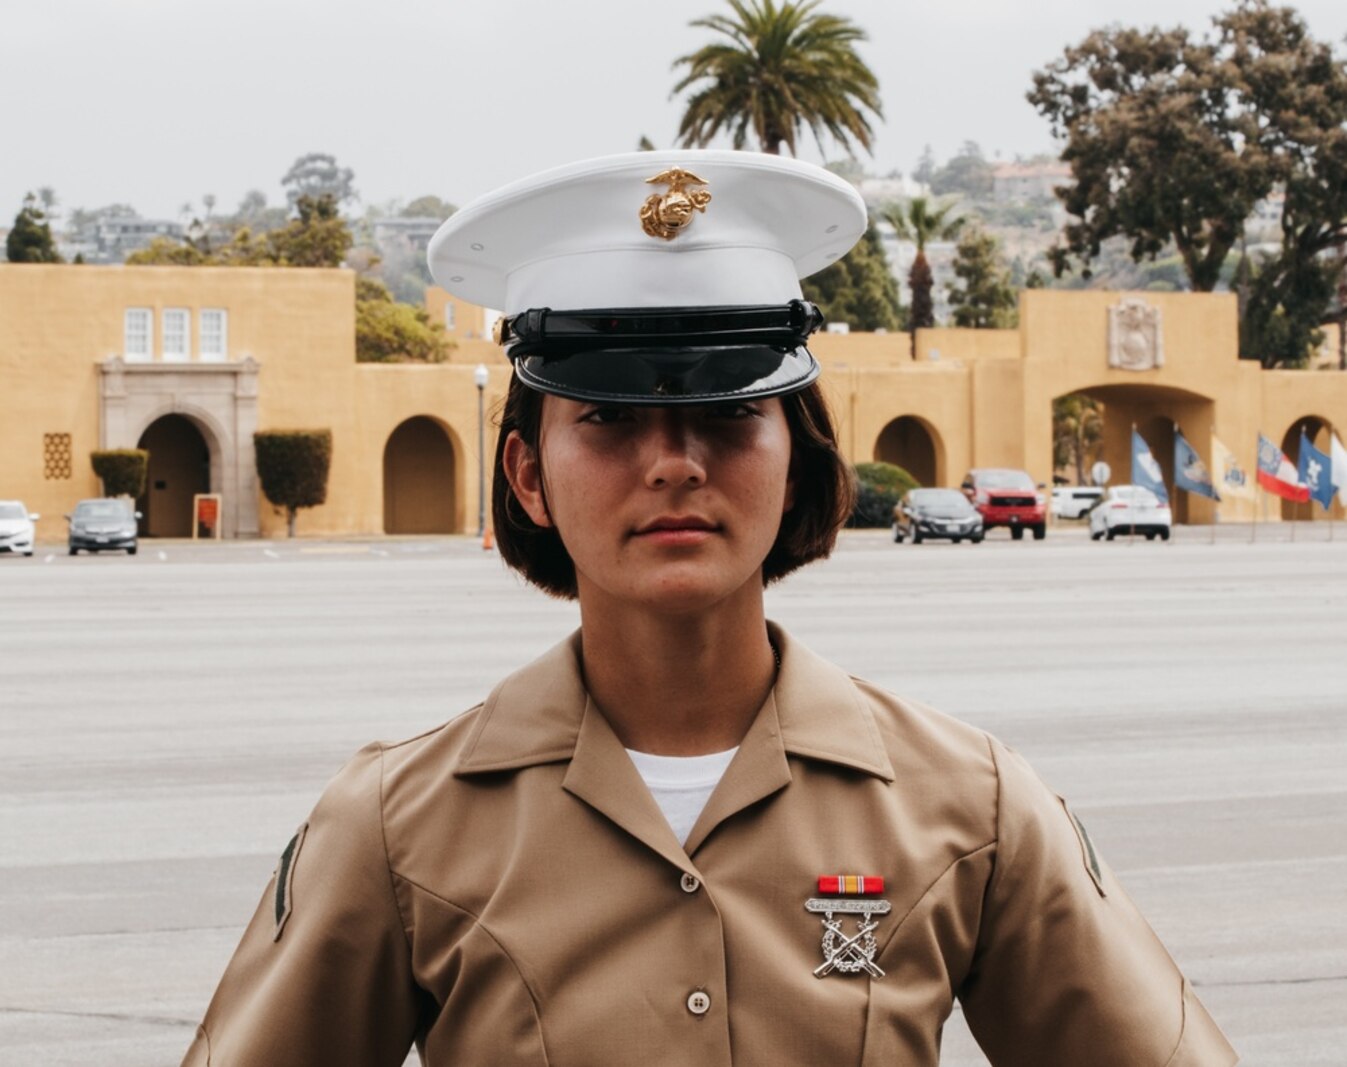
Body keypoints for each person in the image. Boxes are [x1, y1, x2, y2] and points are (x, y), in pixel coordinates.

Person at [183, 151, 1237, 1066]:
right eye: (608, 414)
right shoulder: (401, 826)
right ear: (528, 472)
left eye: (729, 408)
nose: (675, 461)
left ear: (797, 454)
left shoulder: (967, 807)